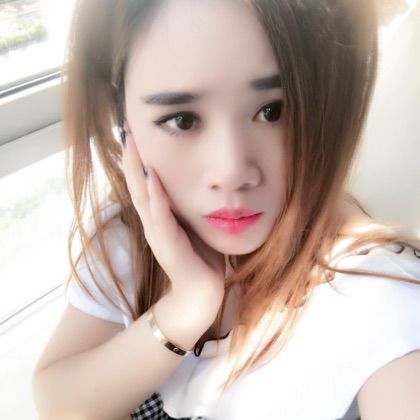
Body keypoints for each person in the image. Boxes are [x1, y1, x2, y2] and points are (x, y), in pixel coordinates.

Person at [32, 0, 420, 419]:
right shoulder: (132, 234)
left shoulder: (375, 290)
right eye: (182, 120)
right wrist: (186, 308)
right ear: (124, 124)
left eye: (274, 111)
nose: (232, 171)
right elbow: (58, 403)